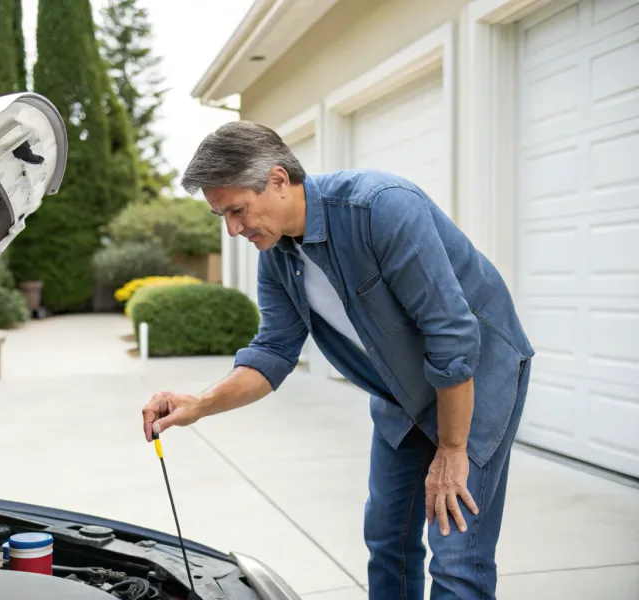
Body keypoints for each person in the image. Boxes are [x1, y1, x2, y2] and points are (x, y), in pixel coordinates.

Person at [140, 121, 534, 599]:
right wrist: (200, 403)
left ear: (279, 179)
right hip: (401, 390)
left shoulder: (381, 207)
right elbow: (273, 352)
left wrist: (452, 450)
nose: (232, 229)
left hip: (476, 379)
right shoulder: (278, 257)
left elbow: (451, 338)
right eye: (221, 215)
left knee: (456, 558)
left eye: (237, 210)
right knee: (387, 540)